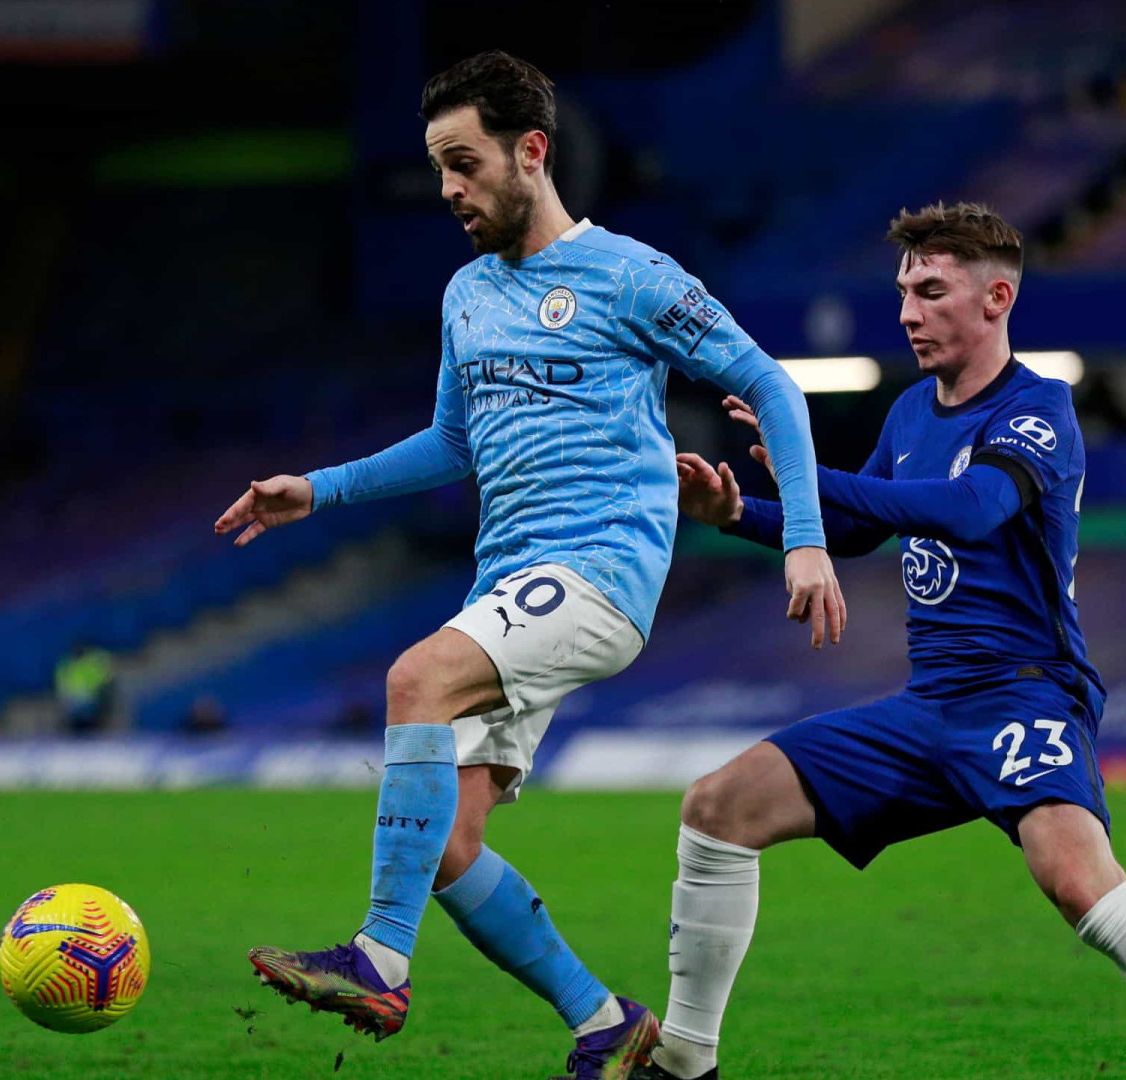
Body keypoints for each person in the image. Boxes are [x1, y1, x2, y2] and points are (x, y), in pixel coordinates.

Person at [215, 51, 844, 1079]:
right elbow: (450, 445)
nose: (449, 189)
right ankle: (604, 1020)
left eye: (464, 163)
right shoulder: (467, 293)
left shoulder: (629, 276)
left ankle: (378, 956)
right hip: (508, 584)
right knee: (449, 844)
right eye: (439, 169)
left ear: (533, 151)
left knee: (414, 680)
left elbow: (771, 384)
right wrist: (317, 490)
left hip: (601, 568)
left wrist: (805, 538)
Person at [633, 203, 1126, 1080]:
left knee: (1079, 884)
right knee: (717, 809)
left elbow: (973, 510)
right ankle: (685, 1062)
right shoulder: (909, 413)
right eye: (904, 291)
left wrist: (798, 468)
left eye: (931, 291)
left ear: (995, 298)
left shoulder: (1040, 412)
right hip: (929, 704)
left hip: (1026, 691)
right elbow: (855, 531)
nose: (908, 312)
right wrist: (741, 513)